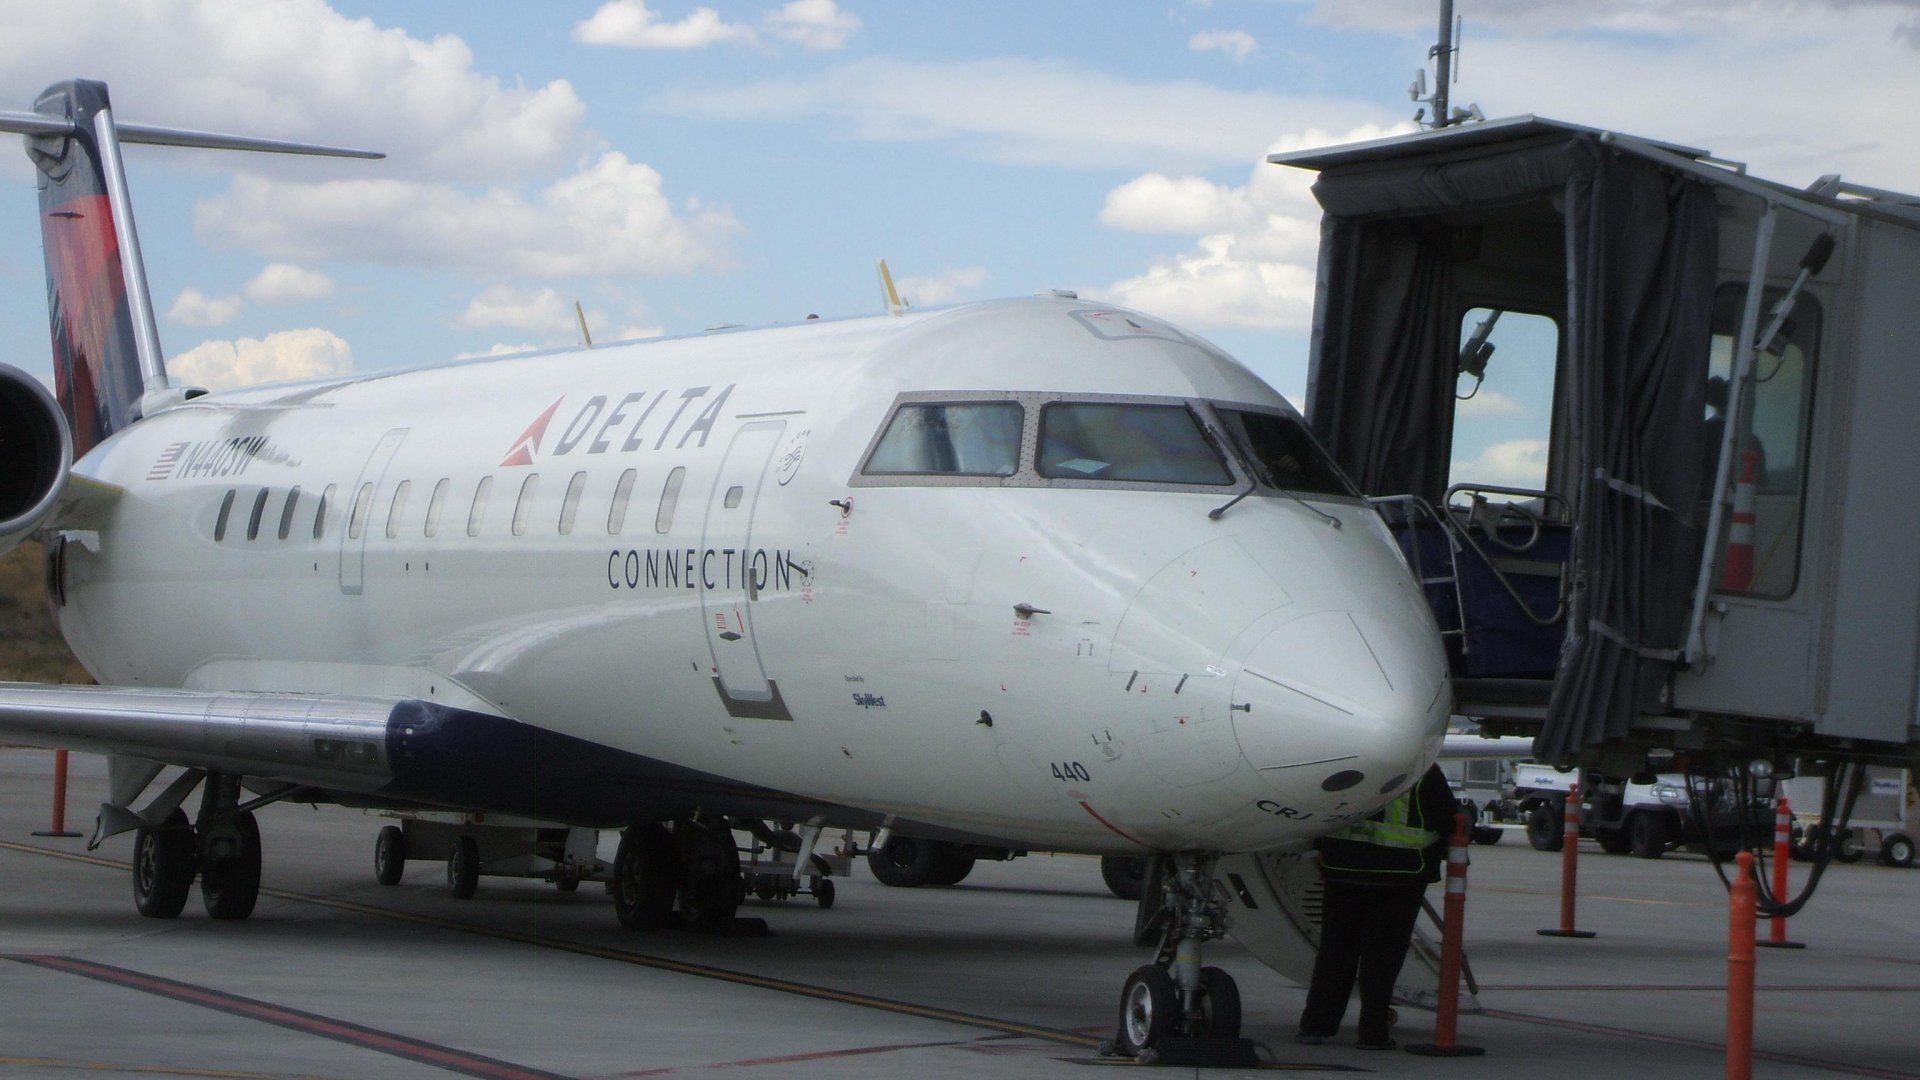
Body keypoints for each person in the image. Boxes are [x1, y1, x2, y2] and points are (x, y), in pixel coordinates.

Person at [1295, 762, 1459, 1050]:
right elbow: (1447, 821)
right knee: (1383, 958)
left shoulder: (1347, 762)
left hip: (1344, 868)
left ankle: (1315, 1025)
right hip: (1400, 875)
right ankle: (1372, 1032)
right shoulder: (1422, 769)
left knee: (1336, 952)